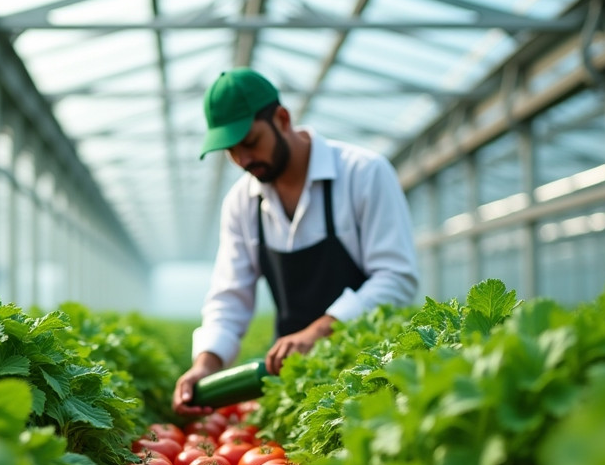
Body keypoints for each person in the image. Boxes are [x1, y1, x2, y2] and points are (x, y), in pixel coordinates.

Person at [172, 67, 420, 415]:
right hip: (296, 380)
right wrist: (207, 363)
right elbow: (230, 297)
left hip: (377, 374)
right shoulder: (242, 202)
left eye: (250, 142)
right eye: (231, 150)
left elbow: (397, 278)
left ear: (282, 118)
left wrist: (318, 331)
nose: (243, 159)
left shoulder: (362, 174)